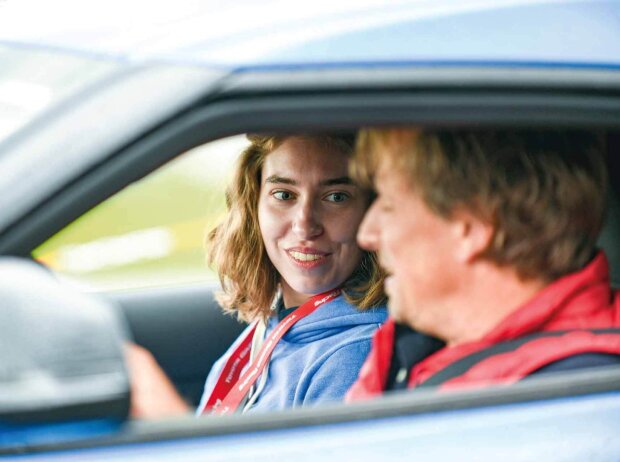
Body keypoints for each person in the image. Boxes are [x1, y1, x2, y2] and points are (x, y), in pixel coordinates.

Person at [345, 128, 620, 400]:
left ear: (471, 228)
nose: (366, 235)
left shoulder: (564, 399)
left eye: (389, 206)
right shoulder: (422, 344)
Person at [128, 134, 387, 417]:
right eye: (284, 195)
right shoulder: (276, 324)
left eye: (336, 197)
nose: (304, 226)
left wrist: (162, 411)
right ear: (254, 205)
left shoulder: (353, 355)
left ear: (372, 212)